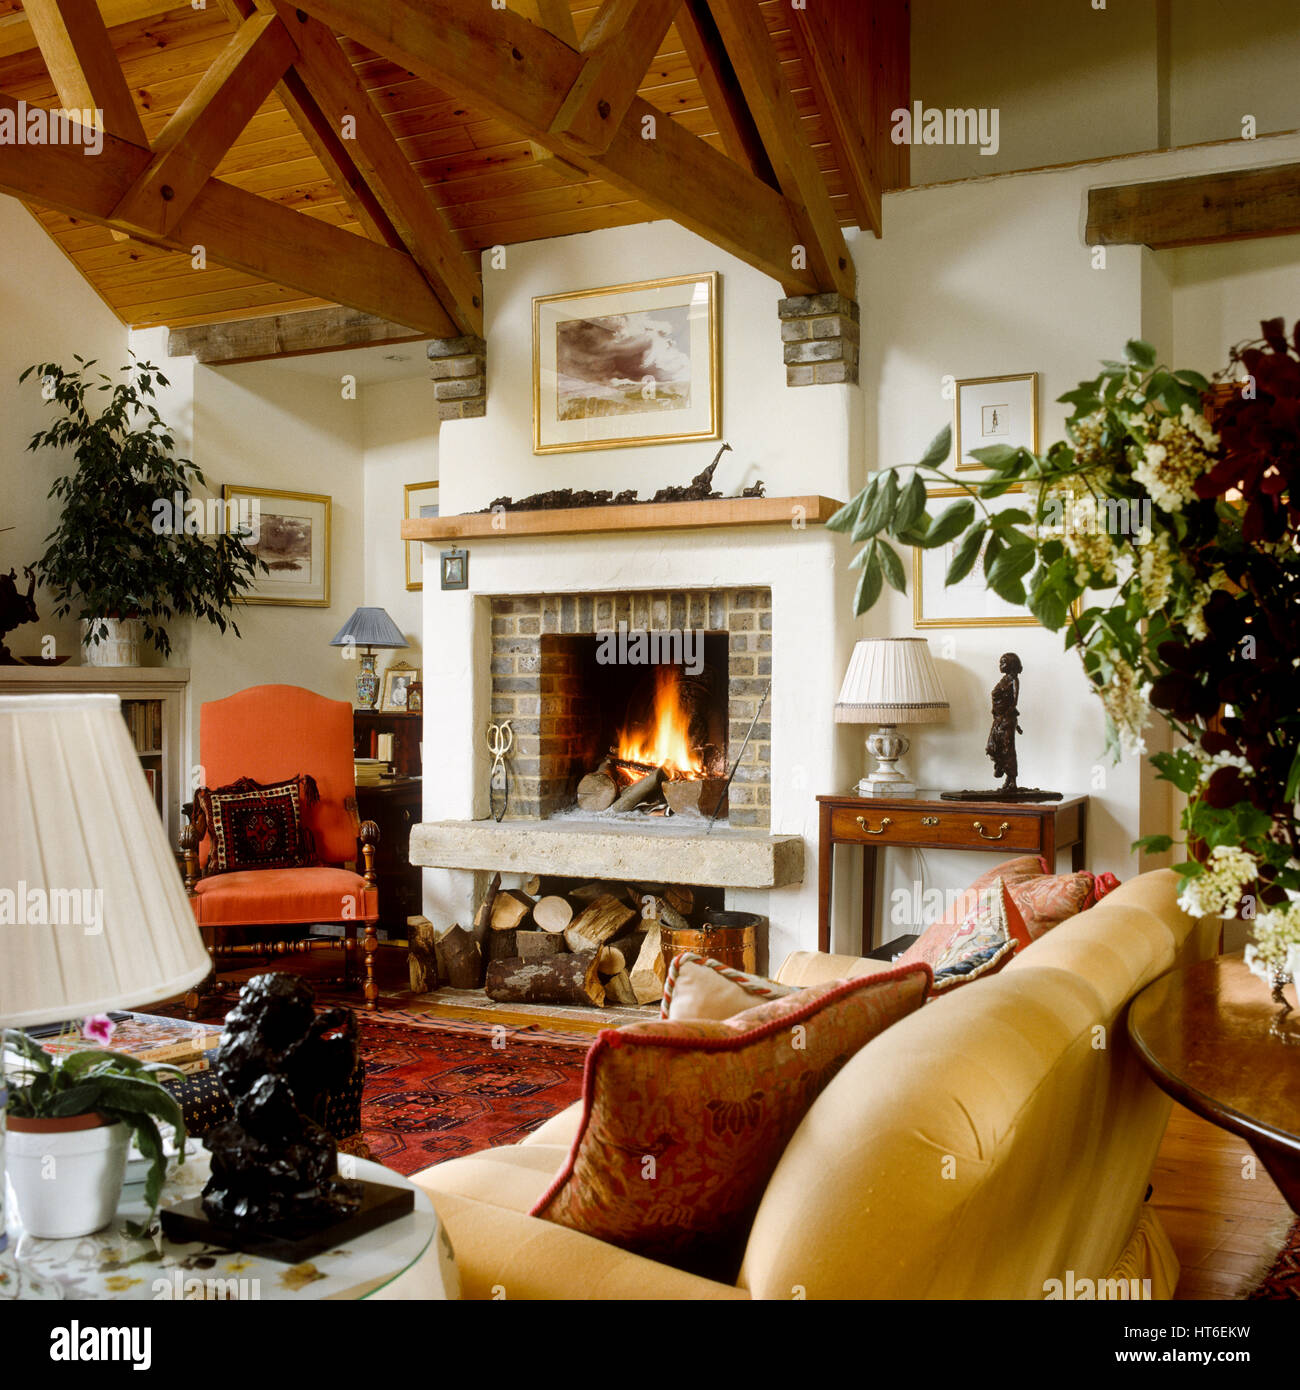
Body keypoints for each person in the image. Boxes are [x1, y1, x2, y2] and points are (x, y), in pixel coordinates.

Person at [986, 652, 1023, 790]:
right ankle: (1001, 767)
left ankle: (1011, 779)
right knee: (992, 746)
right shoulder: (1004, 679)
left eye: (1003, 662)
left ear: (1011, 664)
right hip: (998, 718)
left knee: (1008, 749)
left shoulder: (1013, 680)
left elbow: (1014, 702)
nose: (1000, 665)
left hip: (1007, 719)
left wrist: (1004, 716)